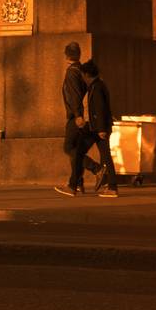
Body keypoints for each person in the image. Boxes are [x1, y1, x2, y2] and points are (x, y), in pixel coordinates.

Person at [54, 40, 100, 198]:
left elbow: (74, 95)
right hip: (82, 114)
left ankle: (96, 169)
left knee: (69, 148)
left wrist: (77, 115)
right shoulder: (81, 70)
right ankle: (77, 182)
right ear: (78, 55)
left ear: (66, 55)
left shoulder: (71, 72)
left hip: (76, 116)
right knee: (77, 148)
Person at [80, 59, 118, 197]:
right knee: (103, 156)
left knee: (106, 156)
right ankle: (108, 183)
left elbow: (100, 108)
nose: (82, 78)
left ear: (87, 74)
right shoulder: (98, 85)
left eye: (82, 75)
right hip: (96, 127)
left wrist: (101, 129)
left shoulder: (97, 87)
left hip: (98, 129)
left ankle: (112, 187)